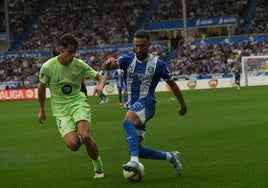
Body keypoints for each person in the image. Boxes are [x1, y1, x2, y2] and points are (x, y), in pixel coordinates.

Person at [103, 30, 187, 176]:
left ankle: (134, 162)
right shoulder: (127, 59)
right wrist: (108, 63)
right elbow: (109, 67)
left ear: (149, 44)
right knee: (136, 147)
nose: (139, 49)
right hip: (132, 106)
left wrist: (183, 104)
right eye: (136, 46)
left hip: (147, 103)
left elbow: (172, 84)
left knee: (127, 121)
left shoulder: (158, 64)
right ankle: (170, 156)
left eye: (142, 46)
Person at [37, 33, 105, 179]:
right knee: (74, 145)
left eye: (74, 52)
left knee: (85, 136)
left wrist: (100, 85)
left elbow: (100, 77)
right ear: (61, 49)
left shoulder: (79, 65)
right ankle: (81, 139)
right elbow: (41, 88)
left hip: (78, 102)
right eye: (70, 52)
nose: (73, 55)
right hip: (60, 109)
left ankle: (98, 166)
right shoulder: (48, 67)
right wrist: (42, 110)